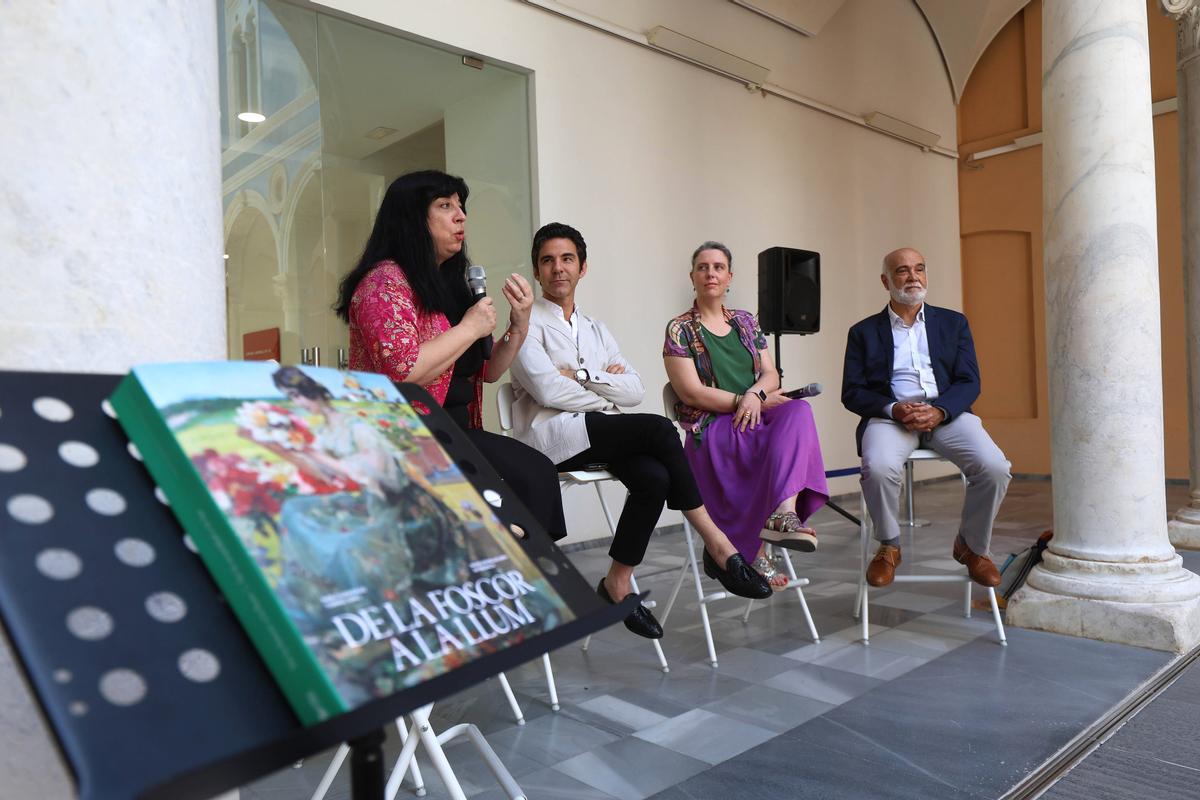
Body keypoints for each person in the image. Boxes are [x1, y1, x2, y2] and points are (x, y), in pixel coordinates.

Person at [509, 222, 771, 640]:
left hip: (600, 431)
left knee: (655, 477)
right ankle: (719, 545)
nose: (558, 268)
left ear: (582, 268)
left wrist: (579, 376)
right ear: (538, 271)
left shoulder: (596, 328)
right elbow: (544, 389)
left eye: (567, 259)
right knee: (661, 430)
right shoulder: (525, 323)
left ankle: (616, 583)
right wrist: (601, 385)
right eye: (548, 261)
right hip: (552, 439)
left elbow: (634, 390)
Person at [333, 170, 568, 543]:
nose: (461, 216)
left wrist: (518, 326)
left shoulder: (450, 284)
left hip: (458, 433)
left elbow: (488, 370)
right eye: (445, 206)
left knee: (535, 475)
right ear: (412, 218)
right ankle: (516, 582)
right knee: (526, 484)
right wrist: (470, 328)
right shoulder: (383, 282)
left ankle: (522, 581)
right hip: (406, 440)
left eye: (461, 206)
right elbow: (403, 370)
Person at [841, 247, 1011, 588]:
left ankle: (971, 547)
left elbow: (969, 380)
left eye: (919, 268)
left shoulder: (953, 323)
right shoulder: (863, 332)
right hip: (891, 418)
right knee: (877, 468)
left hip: (946, 412)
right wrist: (894, 408)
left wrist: (940, 410)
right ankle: (889, 546)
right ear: (885, 280)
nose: (913, 276)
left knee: (995, 467)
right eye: (902, 271)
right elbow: (853, 392)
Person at [663, 241, 829, 588]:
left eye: (718, 267)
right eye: (703, 267)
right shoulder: (680, 329)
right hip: (713, 427)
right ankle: (754, 553)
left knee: (799, 409)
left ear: (729, 277)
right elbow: (690, 392)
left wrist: (755, 394)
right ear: (692, 276)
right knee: (775, 430)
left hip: (756, 411)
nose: (711, 273)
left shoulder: (746, 322)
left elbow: (771, 376)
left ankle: (784, 514)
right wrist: (743, 400)